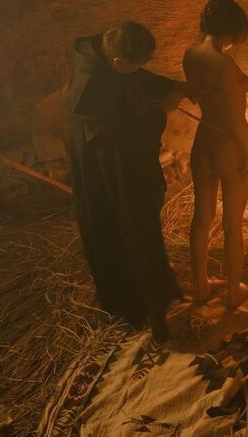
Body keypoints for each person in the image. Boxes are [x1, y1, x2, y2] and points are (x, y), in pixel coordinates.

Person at [67, 21, 186, 341]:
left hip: (122, 163)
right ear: (118, 60)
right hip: (109, 174)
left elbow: (136, 79)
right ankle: (137, 305)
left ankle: (158, 291)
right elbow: (121, 134)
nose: (139, 68)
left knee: (142, 227)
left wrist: (175, 85)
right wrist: (161, 112)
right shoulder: (91, 90)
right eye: (136, 63)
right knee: (129, 230)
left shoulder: (108, 59)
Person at [183, 0, 248, 308]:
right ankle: (233, 293)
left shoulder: (190, 54)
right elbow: (236, 118)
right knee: (232, 224)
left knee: (202, 217)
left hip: (204, 139)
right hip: (228, 142)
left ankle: (200, 287)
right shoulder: (224, 64)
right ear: (231, 30)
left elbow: (202, 94)